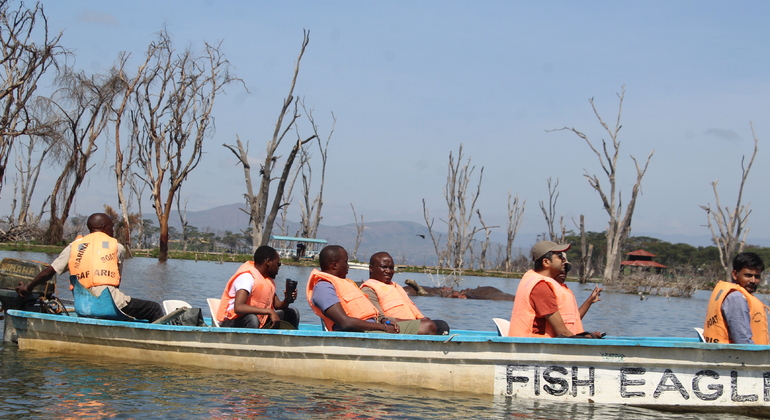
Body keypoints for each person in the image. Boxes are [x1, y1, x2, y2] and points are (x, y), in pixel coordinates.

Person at [16, 213, 163, 322]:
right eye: (111, 227)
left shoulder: (74, 246)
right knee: (154, 309)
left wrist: (27, 288)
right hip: (109, 303)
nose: (113, 230)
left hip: (82, 305)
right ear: (104, 227)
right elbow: (116, 283)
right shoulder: (116, 247)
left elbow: (48, 272)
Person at [306, 245, 421, 334]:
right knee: (427, 327)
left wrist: (384, 321)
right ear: (334, 265)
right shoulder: (323, 288)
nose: (348, 266)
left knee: (435, 325)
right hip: (357, 333)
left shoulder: (344, 283)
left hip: (371, 328)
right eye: (345, 262)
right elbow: (345, 322)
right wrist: (383, 328)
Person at [508, 240, 603, 338]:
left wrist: (590, 301)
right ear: (546, 262)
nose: (563, 260)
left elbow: (571, 320)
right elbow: (562, 332)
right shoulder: (540, 287)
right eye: (559, 256)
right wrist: (587, 338)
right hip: (535, 345)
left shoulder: (538, 281)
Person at [360, 251, 450, 335]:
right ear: (371, 268)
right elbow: (377, 317)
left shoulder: (396, 286)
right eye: (384, 267)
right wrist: (410, 322)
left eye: (391, 268)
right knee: (428, 326)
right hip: (391, 325)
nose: (388, 271)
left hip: (411, 323)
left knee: (442, 326)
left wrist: (420, 319)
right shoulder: (368, 288)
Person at [216, 245, 299, 329]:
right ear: (268, 262)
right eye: (278, 263)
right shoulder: (247, 277)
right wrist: (269, 312)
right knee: (252, 319)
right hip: (232, 322)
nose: (279, 267)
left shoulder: (267, 280)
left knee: (292, 313)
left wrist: (287, 300)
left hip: (258, 321)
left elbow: (277, 305)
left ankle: (286, 340)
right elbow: (239, 307)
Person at [703, 252, 769, 344]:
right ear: (734, 274)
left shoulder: (733, 294)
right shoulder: (736, 298)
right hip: (733, 355)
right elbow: (742, 339)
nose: (753, 281)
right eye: (748, 275)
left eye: (757, 276)